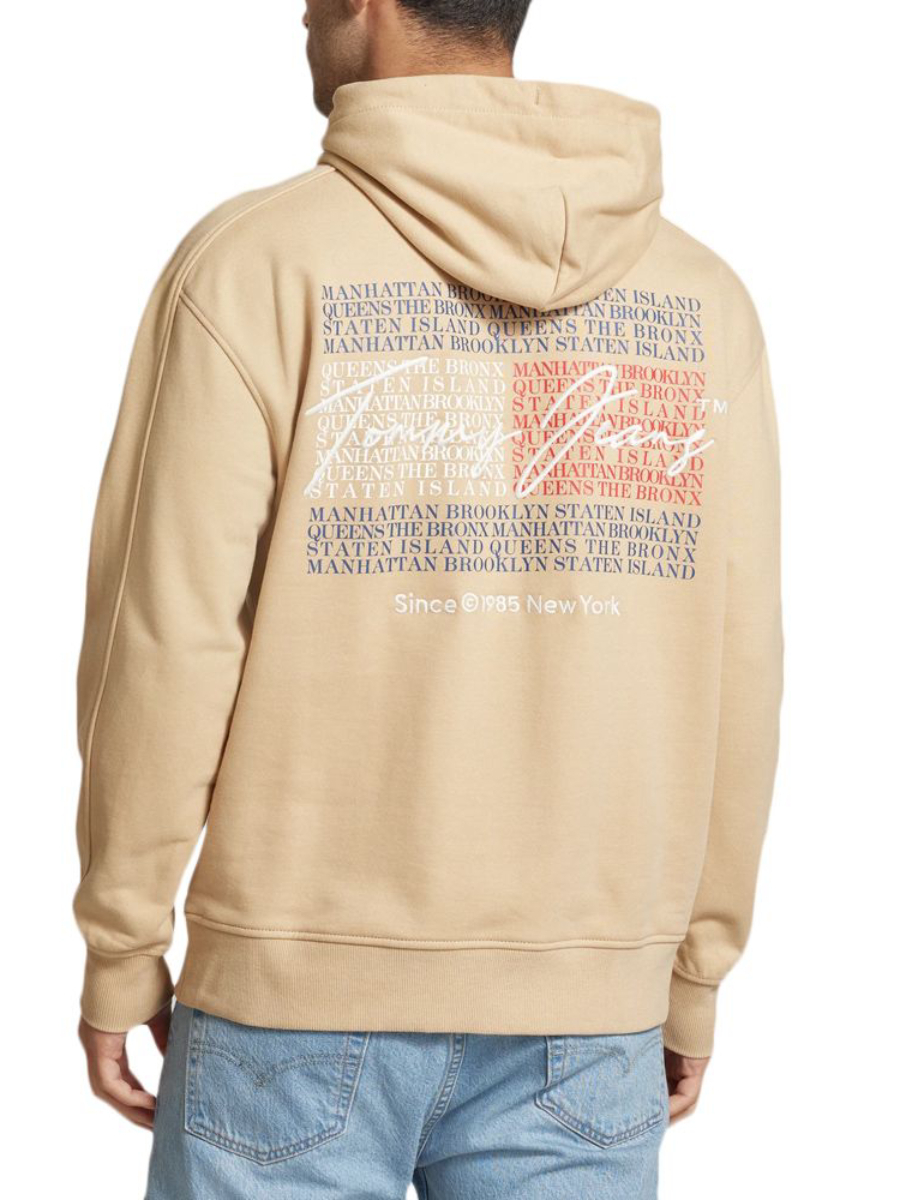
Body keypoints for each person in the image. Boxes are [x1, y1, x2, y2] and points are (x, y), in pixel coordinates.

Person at [73, 1, 784, 1196]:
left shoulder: (256, 267)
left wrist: (120, 944)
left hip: (289, 1002)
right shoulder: (703, 302)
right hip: (589, 1014)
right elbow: (741, 660)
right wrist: (695, 971)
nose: (300, 10)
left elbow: (168, 640)